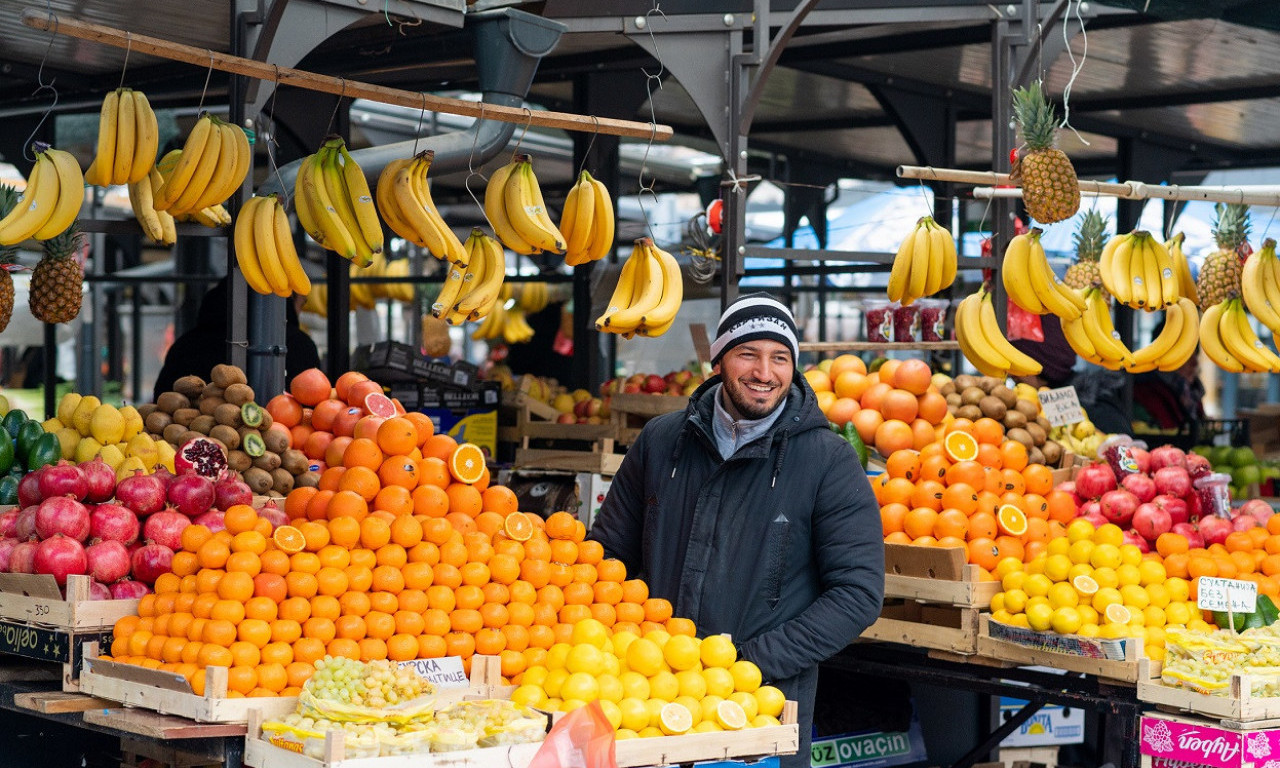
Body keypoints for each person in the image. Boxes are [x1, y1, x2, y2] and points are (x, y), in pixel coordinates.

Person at [588, 292, 885, 768]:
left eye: (780, 358)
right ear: (719, 359)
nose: (764, 373)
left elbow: (857, 593)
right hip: (646, 696)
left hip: (761, 704)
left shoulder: (827, 461)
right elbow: (606, 556)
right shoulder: (664, 442)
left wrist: (748, 662)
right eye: (748, 353)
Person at [153, 277, 321, 400]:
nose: (300, 310)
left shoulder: (186, 345)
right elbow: (314, 400)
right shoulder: (301, 346)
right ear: (287, 302)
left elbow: (161, 399)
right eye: (303, 303)